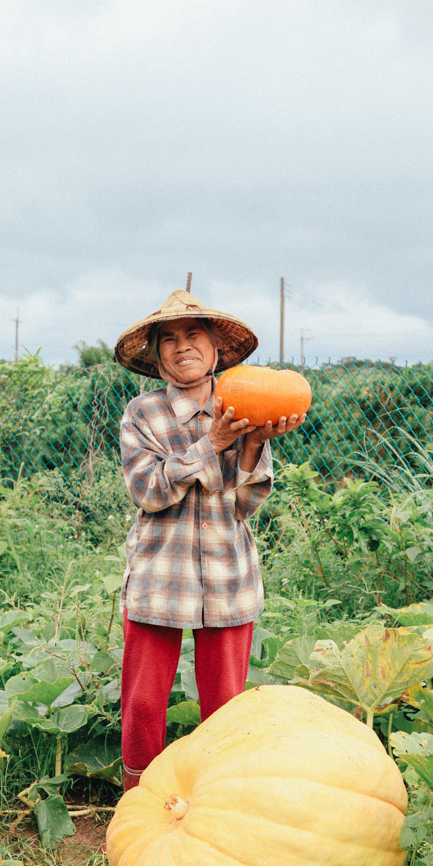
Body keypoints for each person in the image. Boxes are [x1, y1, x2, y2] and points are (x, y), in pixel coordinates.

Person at [113, 289, 306, 790]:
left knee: (225, 700)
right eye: (169, 340)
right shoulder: (142, 414)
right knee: (144, 700)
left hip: (227, 570)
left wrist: (254, 444)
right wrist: (212, 443)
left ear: (217, 348)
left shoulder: (244, 402)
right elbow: (149, 491)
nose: (183, 347)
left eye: (194, 335)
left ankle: (224, 799)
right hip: (161, 574)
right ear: (156, 359)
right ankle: (140, 800)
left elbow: (244, 506)